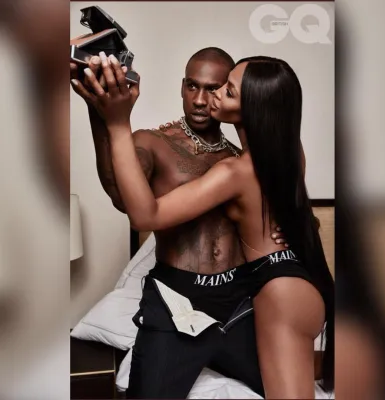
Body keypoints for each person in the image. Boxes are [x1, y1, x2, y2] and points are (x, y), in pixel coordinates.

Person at [72, 52, 335, 399]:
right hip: (280, 286)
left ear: (253, 104)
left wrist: (118, 122)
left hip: (264, 294)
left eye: (223, 89)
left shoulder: (235, 168)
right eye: (193, 86)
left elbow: (146, 216)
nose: (205, 99)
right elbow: (121, 193)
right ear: (182, 86)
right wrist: (103, 114)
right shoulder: (286, 151)